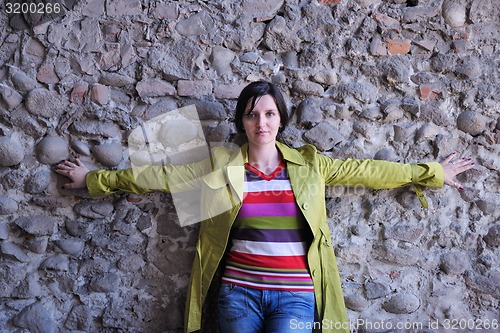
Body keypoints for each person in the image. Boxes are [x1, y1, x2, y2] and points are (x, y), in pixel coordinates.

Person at [55, 81, 475, 333]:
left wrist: (431, 172)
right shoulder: (222, 163)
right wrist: (94, 179)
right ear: (242, 121)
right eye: (253, 114)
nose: (262, 123)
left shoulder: (310, 165)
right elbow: (160, 176)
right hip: (238, 295)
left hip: (294, 297)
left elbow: (367, 169)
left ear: (281, 120)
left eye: (270, 113)